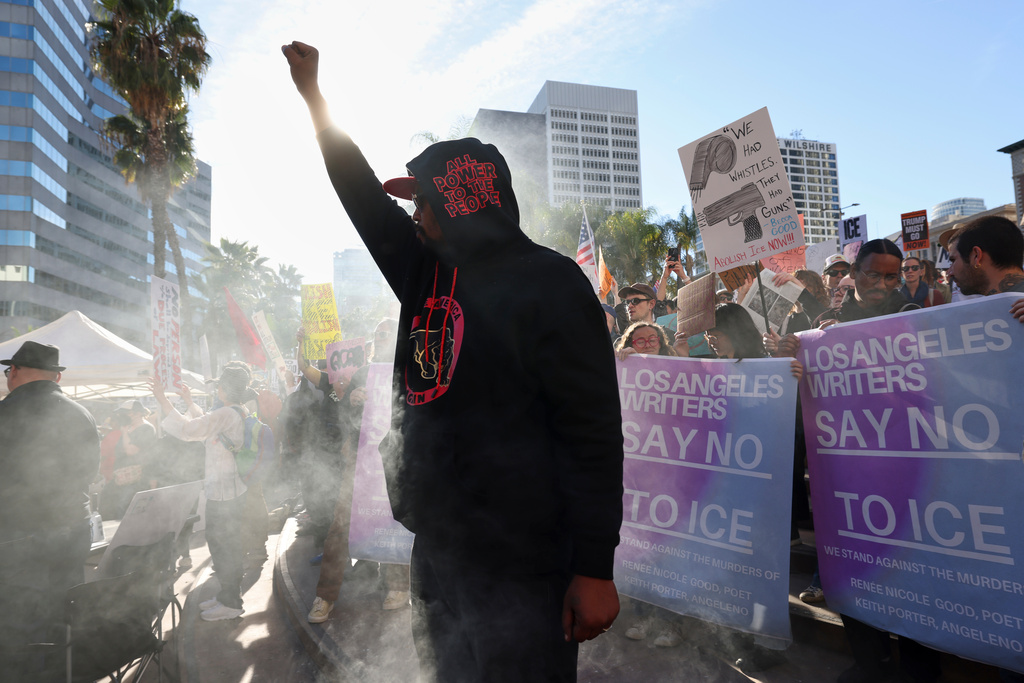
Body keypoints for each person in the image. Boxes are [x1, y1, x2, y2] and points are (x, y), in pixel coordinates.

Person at [284, 41, 623, 683]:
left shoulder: (550, 283)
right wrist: (316, 101)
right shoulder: (421, 270)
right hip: (438, 548)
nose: (413, 215)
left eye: (424, 202)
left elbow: (593, 434)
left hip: (524, 560)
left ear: (462, 202)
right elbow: (360, 195)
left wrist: (595, 567)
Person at [0, 341, 100, 680]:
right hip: (73, 527)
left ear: (13, 372)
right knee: (62, 611)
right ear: (56, 377)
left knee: (17, 626)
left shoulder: (4, 413)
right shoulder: (81, 412)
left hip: (18, 536)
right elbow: (89, 472)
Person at [153, 366, 256, 621]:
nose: (216, 390)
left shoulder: (225, 413)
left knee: (224, 546)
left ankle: (231, 602)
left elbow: (190, 431)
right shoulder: (237, 411)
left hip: (224, 492)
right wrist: (189, 402)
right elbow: (207, 427)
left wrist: (163, 400)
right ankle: (227, 596)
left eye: (218, 386)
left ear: (224, 389)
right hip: (232, 488)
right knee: (225, 544)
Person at [813, 239, 918, 328]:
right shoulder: (825, 322)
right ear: (853, 271)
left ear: (898, 279)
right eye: (873, 276)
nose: (881, 285)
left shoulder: (914, 317)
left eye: (890, 277)